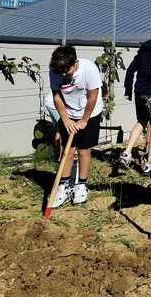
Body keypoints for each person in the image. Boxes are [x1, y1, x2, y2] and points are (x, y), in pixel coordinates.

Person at [48, 45, 104, 208]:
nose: (63, 75)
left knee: (84, 150)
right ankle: (63, 187)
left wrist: (84, 120)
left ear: (75, 62)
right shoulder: (55, 70)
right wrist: (65, 120)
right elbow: (56, 96)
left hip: (90, 112)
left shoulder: (89, 69)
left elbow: (93, 96)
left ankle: (81, 186)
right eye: (61, 72)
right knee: (67, 150)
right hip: (70, 113)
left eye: (67, 71)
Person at [118, 21, 151, 176]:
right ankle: (150, 163)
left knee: (142, 121)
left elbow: (130, 70)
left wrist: (128, 88)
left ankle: (127, 153)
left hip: (139, 91)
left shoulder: (143, 50)